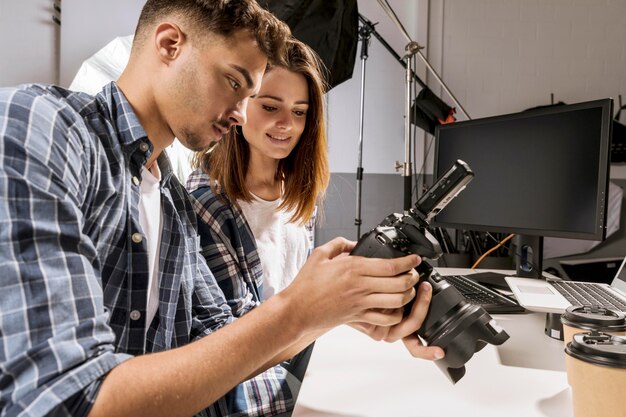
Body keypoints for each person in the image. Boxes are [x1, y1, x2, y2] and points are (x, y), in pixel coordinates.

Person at [0, 1, 444, 417]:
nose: (240, 113)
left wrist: (339, 308)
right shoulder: (41, 126)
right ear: (170, 44)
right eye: (234, 82)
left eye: (251, 95)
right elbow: (66, 398)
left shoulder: (172, 203)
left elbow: (226, 343)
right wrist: (301, 310)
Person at [186, 38, 329, 414]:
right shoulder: (208, 203)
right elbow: (234, 337)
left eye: (300, 112)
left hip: (299, 357)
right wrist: (329, 309)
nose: (287, 125)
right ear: (240, 105)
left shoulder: (300, 192)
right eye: (270, 107)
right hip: (249, 386)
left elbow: (299, 293)